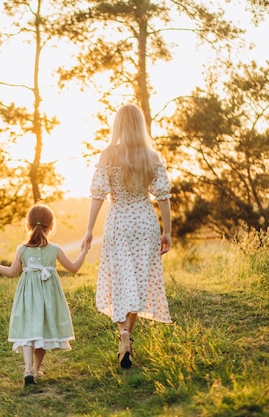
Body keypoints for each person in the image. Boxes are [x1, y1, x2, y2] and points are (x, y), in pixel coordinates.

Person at [81, 103, 173, 369]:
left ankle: (123, 335)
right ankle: (127, 335)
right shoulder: (151, 156)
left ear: (118, 125)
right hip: (144, 222)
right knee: (138, 283)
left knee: (122, 280)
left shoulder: (109, 154)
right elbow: (163, 196)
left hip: (119, 222)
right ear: (141, 124)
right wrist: (167, 230)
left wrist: (88, 228)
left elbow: (98, 193)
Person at [0, 204, 88, 386]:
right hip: (48, 296)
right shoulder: (55, 249)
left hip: (28, 295)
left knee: (29, 329)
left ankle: (27, 369)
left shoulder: (22, 249)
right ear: (51, 226)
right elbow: (74, 268)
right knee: (41, 329)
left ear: (28, 225)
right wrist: (84, 250)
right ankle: (36, 369)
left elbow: (12, 272)